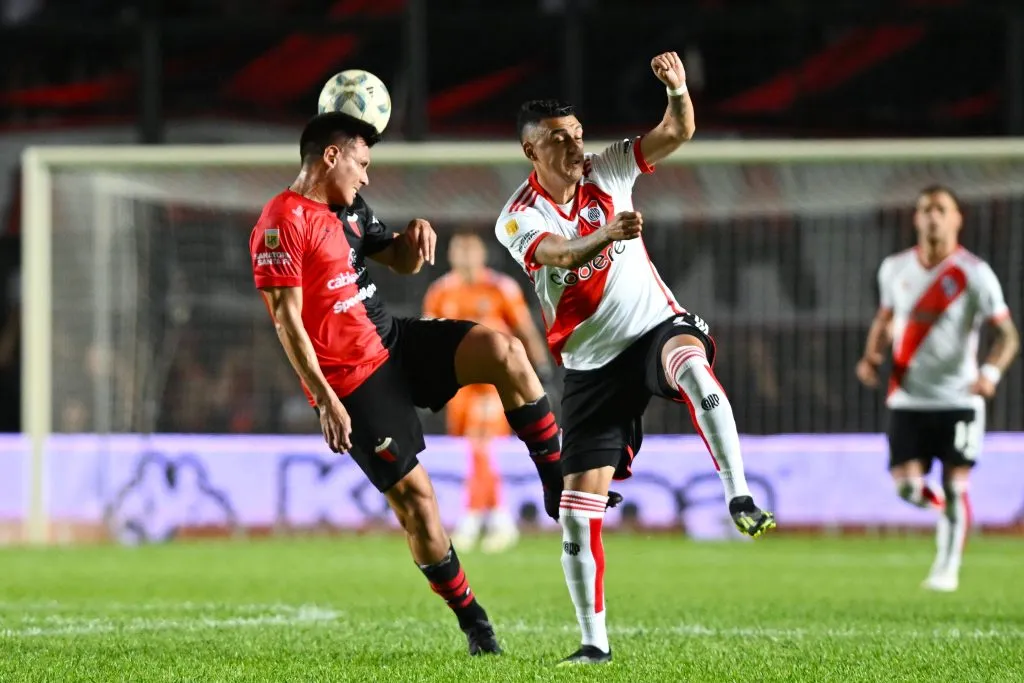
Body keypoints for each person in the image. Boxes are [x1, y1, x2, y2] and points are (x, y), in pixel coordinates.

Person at [248, 111, 571, 656]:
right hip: (353, 384)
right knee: (418, 504)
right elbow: (287, 321)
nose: (367, 177)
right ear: (332, 156)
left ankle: (555, 482)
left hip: (392, 342)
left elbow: (396, 261)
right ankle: (474, 621)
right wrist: (326, 399)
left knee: (504, 350)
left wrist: (413, 240)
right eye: (363, 163)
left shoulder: (348, 209)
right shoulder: (281, 222)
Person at [493, 51, 776, 666]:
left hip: (653, 329)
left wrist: (676, 90)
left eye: (576, 134)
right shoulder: (516, 216)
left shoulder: (609, 167)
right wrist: (606, 234)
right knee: (573, 515)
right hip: (591, 366)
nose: (574, 146)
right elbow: (561, 255)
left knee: (693, 365)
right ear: (530, 151)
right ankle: (594, 643)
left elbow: (677, 133)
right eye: (557, 139)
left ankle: (738, 494)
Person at [856, 184, 1019, 593]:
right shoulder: (894, 268)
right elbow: (886, 317)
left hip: (959, 399)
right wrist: (872, 355)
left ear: (956, 218)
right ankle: (950, 512)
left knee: (954, 481)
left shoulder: (974, 273)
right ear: (916, 218)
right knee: (907, 488)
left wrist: (991, 375)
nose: (933, 216)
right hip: (908, 397)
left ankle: (947, 568)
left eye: (941, 209)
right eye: (926, 209)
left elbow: (1008, 336)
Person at [423, 229, 554, 553]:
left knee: (481, 446)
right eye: (459, 252)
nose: (465, 259)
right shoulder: (441, 291)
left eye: (471, 251)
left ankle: (473, 519)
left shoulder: (500, 288)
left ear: (481, 255)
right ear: (451, 256)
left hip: (495, 384)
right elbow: (425, 336)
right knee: (474, 450)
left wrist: (542, 369)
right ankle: (497, 518)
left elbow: (524, 328)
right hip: (459, 385)